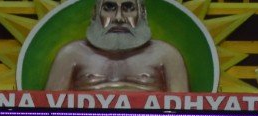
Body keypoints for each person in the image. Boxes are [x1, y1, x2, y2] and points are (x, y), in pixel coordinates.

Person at [45, 0, 189, 92]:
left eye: (128, 8)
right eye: (109, 7)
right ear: (95, 13)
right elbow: (48, 111)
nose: (119, 18)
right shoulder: (71, 54)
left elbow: (183, 114)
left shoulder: (165, 55)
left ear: (143, 13)